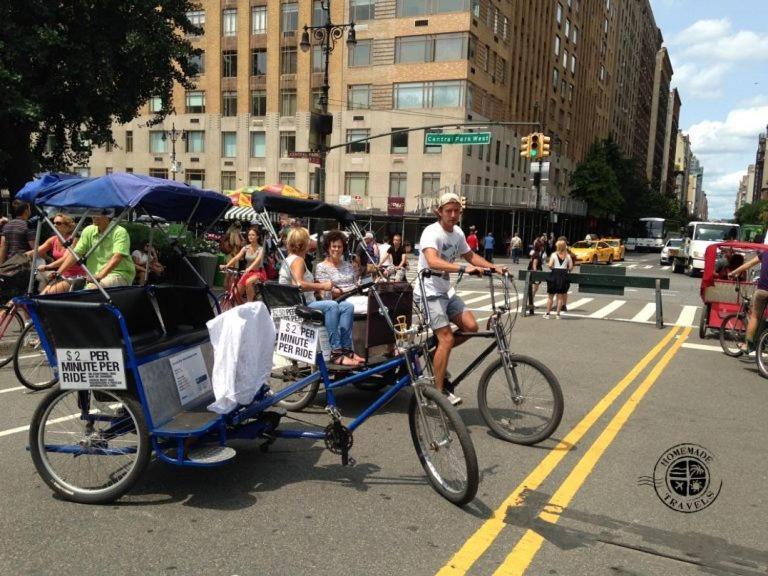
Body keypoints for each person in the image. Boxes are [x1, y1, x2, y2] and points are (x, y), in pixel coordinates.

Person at [415, 192, 506, 405]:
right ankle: (439, 393)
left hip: (446, 290)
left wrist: (494, 267)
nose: (453, 214)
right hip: (428, 291)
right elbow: (433, 261)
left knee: (471, 326)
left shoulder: (457, 233)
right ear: (440, 212)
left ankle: (434, 353)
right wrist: (464, 268)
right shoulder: (432, 232)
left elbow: (471, 255)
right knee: (446, 338)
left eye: (457, 211)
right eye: (449, 211)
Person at [279, 227, 364, 367]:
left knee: (347, 306)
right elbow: (299, 284)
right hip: (301, 304)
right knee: (332, 305)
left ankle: (347, 350)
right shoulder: (298, 261)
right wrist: (322, 286)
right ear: (303, 243)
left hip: (304, 301)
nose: (312, 242)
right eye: (309, 240)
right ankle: (336, 352)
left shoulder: (293, 259)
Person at [56, 210, 135, 289]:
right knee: (50, 291)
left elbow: (117, 257)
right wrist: (58, 273)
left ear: (108, 215)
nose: (93, 215)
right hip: (91, 277)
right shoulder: (88, 230)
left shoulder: (120, 232)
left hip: (119, 274)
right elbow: (76, 254)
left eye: (97, 213)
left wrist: (100, 275)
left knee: (91, 288)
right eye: (92, 212)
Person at [31, 214, 86, 294]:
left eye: (58, 223)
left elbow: (65, 259)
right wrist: (21, 257)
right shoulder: (53, 239)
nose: (54, 225)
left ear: (68, 226)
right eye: (54, 223)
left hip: (75, 277)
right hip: (60, 275)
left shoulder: (73, 240)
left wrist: (47, 266)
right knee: (39, 288)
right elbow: (36, 251)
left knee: (47, 293)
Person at [221, 226, 266, 301]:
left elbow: (257, 261)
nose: (250, 237)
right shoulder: (246, 248)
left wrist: (249, 268)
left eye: (253, 235)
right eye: (249, 235)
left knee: (248, 282)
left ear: (257, 236)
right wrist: (227, 265)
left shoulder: (261, 249)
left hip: (258, 272)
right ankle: (243, 307)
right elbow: (236, 258)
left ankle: (249, 303)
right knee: (236, 294)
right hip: (247, 272)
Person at [315, 229, 359, 299]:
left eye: (339, 247)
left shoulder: (349, 265)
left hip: (355, 297)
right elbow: (327, 292)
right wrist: (350, 290)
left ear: (343, 248)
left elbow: (356, 284)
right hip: (337, 302)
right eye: (334, 246)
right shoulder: (321, 267)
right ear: (328, 248)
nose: (336, 249)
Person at [543, 239, 573, 319]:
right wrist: (566, 269)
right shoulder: (568, 255)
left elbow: (549, 265)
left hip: (554, 274)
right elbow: (570, 267)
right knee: (560, 297)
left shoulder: (553, 254)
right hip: (563, 275)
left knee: (550, 296)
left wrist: (553, 267)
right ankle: (558, 314)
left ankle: (548, 314)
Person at [0, 199, 34, 265]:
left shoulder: (7, 225)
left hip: (9, 264)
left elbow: (3, 247)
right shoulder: (28, 225)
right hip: (23, 265)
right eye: (29, 208)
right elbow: (35, 248)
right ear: (26, 211)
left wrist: (1, 266)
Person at [525, 240, 544, 316]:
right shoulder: (537, 255)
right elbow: (534, 265)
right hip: (534, 274)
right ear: (540, 247)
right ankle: (530, 303)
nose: (543, 247)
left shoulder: (535, 253)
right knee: (534, 289)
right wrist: (536, 273)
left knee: (535, 289)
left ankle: (531, 302)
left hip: (532, 273)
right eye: (542, 246)